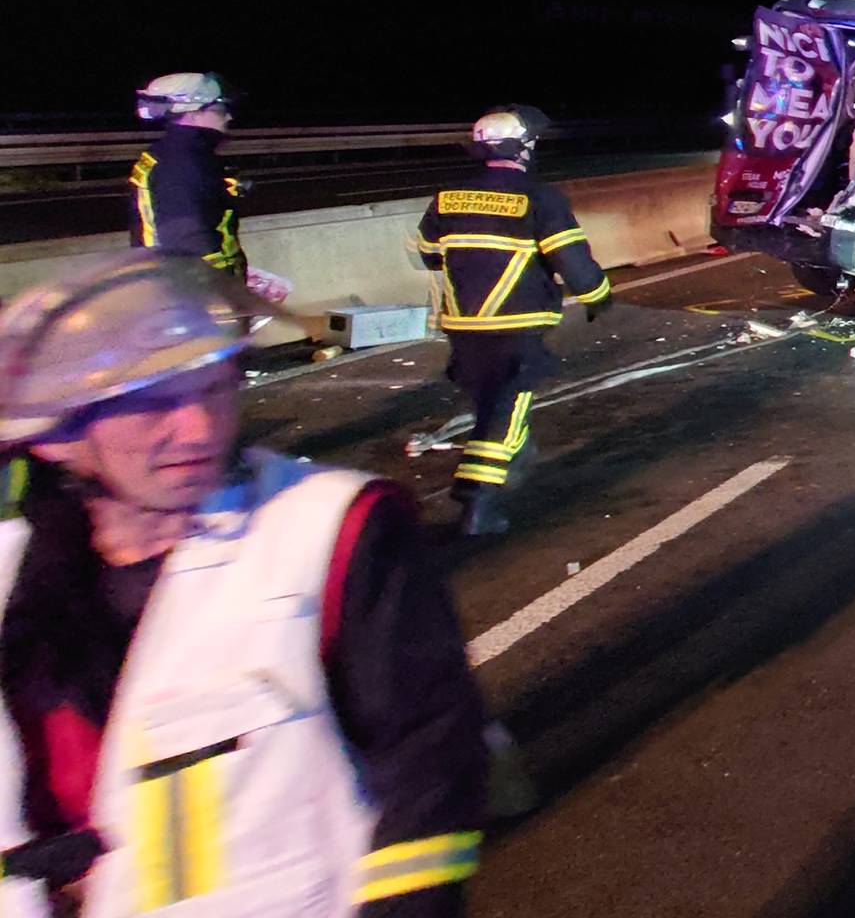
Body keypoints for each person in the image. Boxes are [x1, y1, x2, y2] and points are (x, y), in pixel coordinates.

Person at [0, 252, 492, 916]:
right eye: (154, 405)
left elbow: (430, 758)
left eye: (216, 388)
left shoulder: (331, 532)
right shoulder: (11, 582)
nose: (199, 429)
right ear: (58, 435)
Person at [412, 106, 610, 536]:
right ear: (524, 148)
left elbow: (428, 252)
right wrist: (598, 296)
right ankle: (477, 499)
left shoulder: (446, 196)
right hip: (516, 321)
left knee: (492, 401)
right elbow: (571, 260)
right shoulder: (540, 198)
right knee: (506, 405)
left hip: (463, 324)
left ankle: (514, 458)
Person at [126, 74, 246, 285]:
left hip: (181, 288)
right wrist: (225, 291)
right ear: (191, 113)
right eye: (220, 110)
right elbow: (188, 238)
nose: (228, 118)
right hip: (196, 295)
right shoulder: (183, 163)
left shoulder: (172, 153)